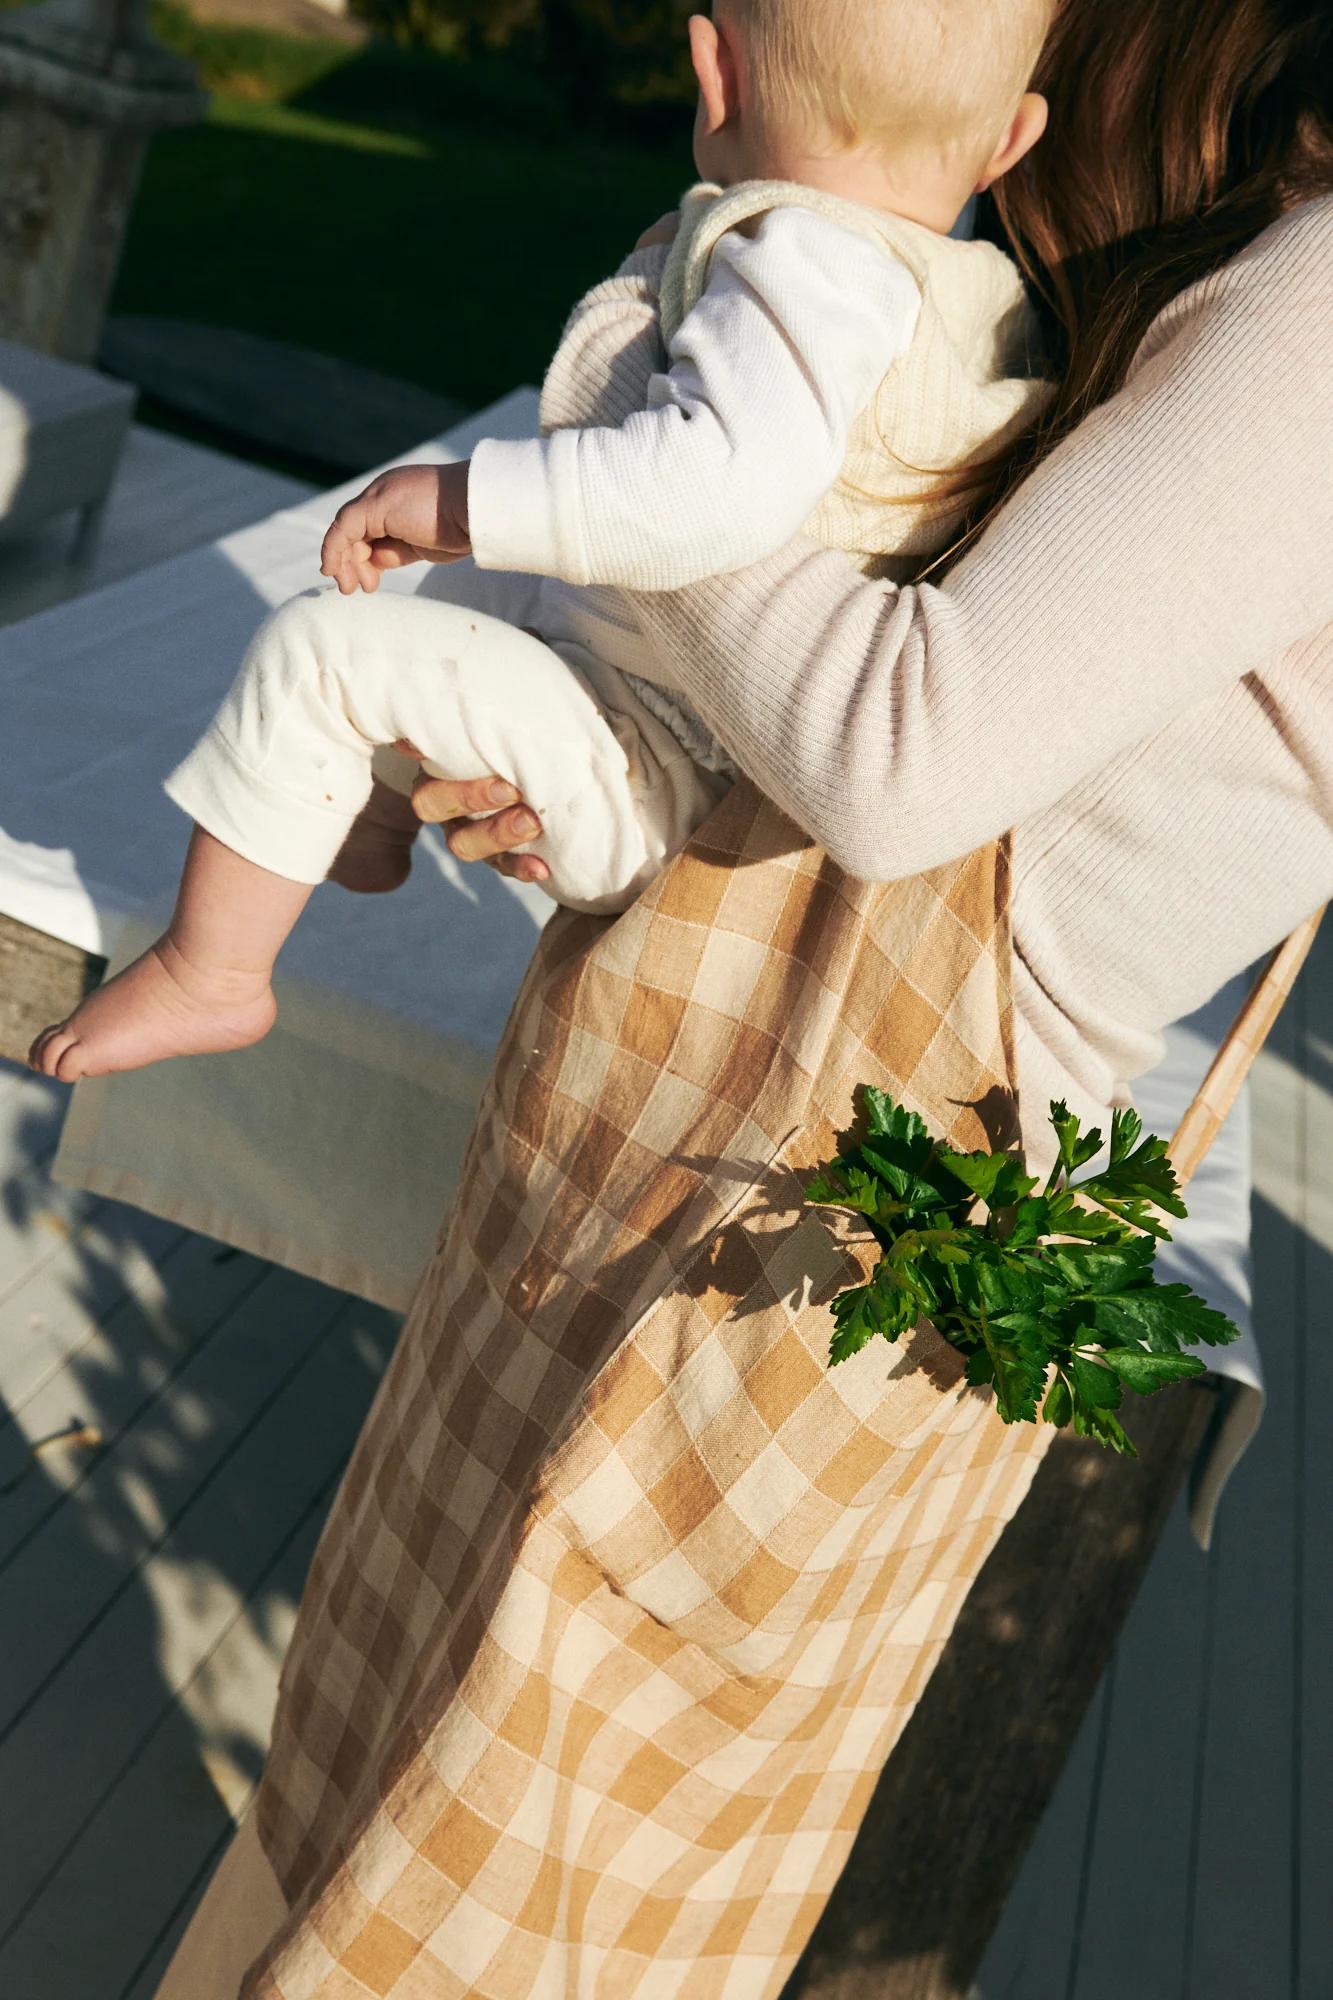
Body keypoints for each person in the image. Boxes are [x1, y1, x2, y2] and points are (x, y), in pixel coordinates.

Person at [153, 2, 1331, 1997]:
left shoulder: (1313, 323)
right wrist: (629, 753)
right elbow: (965, 714)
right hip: (796, 1162)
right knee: (473, 1833)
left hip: (806, 1212)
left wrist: (624, 412)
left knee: (484, 1869)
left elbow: (900, 755)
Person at [28, 0, 1055, 1082]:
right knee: (475, 597)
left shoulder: (802, 257)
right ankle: (369, 804)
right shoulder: (964, 298)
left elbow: (713, 490)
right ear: (1009, 141)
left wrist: (469, 500)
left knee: (318, 653)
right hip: (705, 739)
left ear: (715, 74)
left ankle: (212, 971)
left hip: (654, 771)